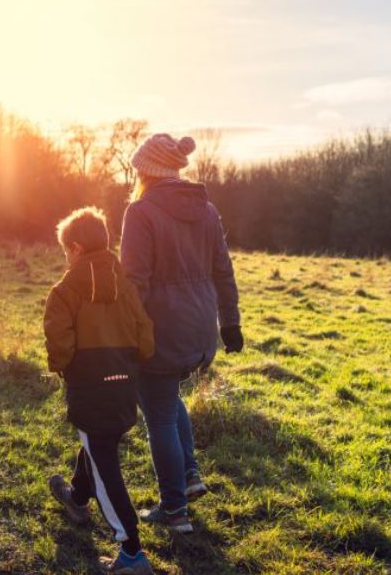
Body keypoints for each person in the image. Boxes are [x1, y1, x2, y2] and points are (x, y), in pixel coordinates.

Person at [119, 134, 242, 534]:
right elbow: (223, 271)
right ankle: (189, 476)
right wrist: (230, 323)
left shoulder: (140, 212)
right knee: (168, 401)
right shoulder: (206, 210)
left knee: (157, 412)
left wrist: (123, 334)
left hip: (161, 331)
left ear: (145, 171)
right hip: (200, 330)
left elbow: (133, 282)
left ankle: (174, 511)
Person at [44, 206, 156, 575]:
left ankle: (131, 550)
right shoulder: (126, 286)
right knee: (98, 444)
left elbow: (60, 346)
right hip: (125, 384)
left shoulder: (63, 292)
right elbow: (145, 339)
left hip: (89, 386)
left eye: (65, 250)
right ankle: (76, 497)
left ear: (75, 248)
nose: (65, 256)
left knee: (105, 466)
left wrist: (61, 365)